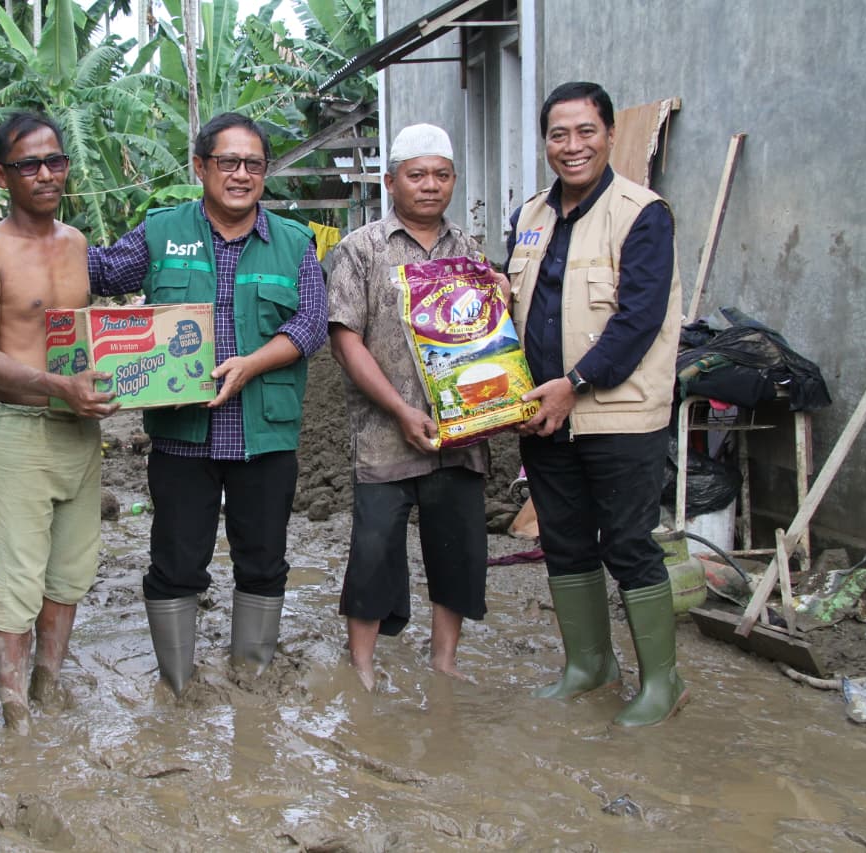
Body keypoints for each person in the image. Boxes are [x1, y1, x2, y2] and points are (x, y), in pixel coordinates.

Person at [88, 112, 328, 696]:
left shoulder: (295, 244)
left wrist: (253, 364)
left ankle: (252, 678)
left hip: (264, 435)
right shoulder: (160, 233)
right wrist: (42, 237)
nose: (241, 174)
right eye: (228, 162)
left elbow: (312, 324)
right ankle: (177, 685)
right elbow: (95, 270)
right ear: (200, 167)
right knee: (175, 563)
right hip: (181, 436)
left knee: (264, 561)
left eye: (253, 164)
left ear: (264, 173)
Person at [505, 82, 688, 727]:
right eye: (559, 134)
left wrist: (574, 384)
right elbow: (516, 311)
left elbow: (638, 321)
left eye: (585, 131)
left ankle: (662, 683)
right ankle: (589, 664)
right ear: (546, 143)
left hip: (617, 414)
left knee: (631, 544)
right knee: (565, 542)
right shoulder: (530, 216)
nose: (572, 146)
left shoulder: (643, 214)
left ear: (609, 134)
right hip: (541, 414)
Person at [0, 112, 119, 731]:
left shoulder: (77, 244)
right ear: (1, 173)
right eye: (29, 164)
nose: (46, 174)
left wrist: (124, 380)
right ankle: (14, 713)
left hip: (81, 428)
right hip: (21, 428)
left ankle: (48, 684)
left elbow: (85, 338)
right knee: (19, 575)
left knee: (73, 571)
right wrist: (56, 387)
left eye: (56, 161)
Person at [325, 124, 493, 690]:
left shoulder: (468, 250)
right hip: (383, 432)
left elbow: (485, 336)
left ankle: (444, 661)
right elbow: (346, 339)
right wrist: (400, 409)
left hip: (460, 429)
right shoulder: (361, 249)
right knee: (374, 550)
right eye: (416, 175)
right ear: (392, 181)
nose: (430, 186)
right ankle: (363, 666)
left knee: (458, 549)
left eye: (441, 175)